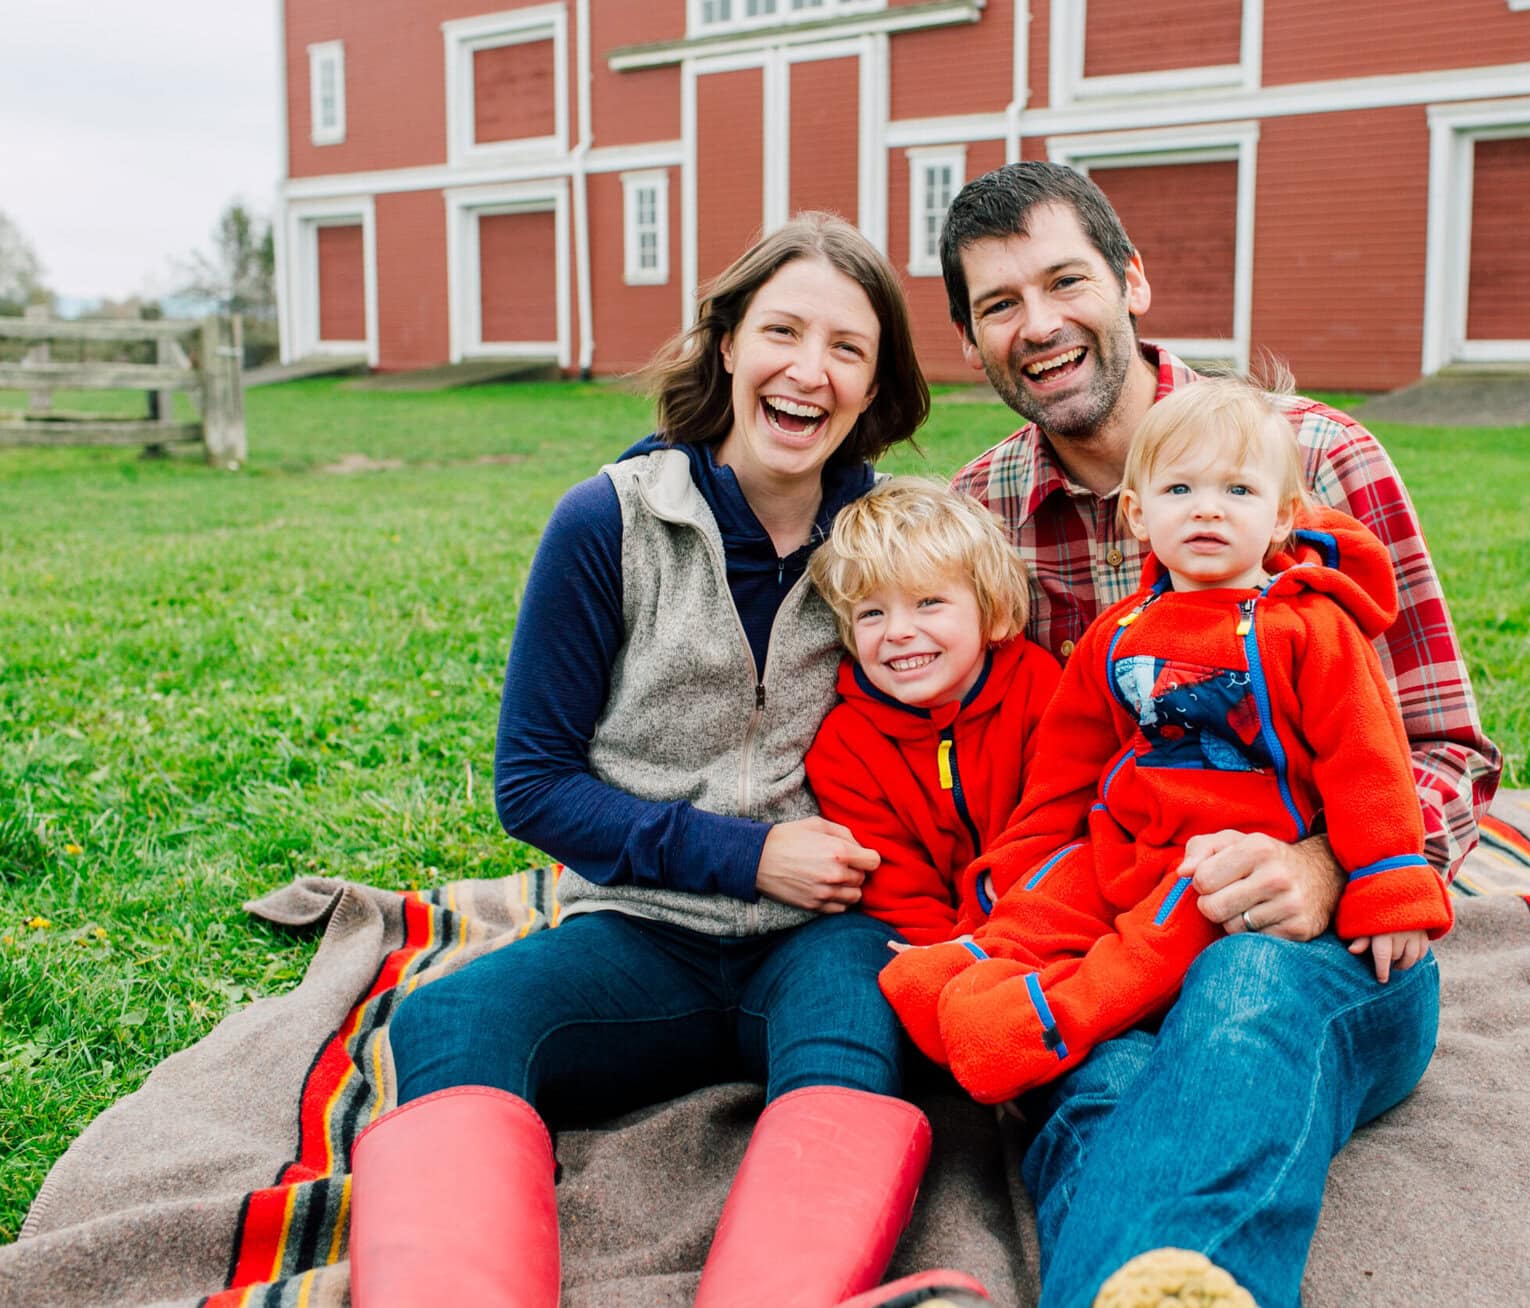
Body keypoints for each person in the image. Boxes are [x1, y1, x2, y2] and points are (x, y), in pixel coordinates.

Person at [351, 214, 977, 1308]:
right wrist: (748, 856)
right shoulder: (608, 522)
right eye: (782, 330)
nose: (808, 371)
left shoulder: (898, 544)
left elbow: (986, 725)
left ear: (874, 385)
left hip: (829, 931)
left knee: (857, 1029)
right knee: (446, 1018)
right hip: (639, 930)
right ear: (728, 343)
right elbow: (532, 785)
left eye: (847, 348)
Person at [940, 162, 1504, 1306]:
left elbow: (1447, 749)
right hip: (1118, 928)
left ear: (1131, 281)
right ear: (971, 342)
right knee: (1092, 1072)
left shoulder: (1314, 459)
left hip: (1316, 943)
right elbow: (1017, 769)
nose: (1038, 325)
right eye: (999, 305)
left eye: (1064, 282)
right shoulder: (979, 513)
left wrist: (1330, 864)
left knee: (1241, 992)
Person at [881, 376, 1453, 1108]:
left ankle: (1049, 1020)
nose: (1208, 508)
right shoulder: (1115, 634)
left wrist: (1389, 885)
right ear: (1138, 514)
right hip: (1124, 839)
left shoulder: (1309, 627)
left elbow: (1367, 763)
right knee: (1055, 894)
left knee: (1151, 944)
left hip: (1224, 857)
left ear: (1282, 519)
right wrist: (1003, 891)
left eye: (1238, 492)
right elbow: (1062, 776)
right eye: (1179, 489)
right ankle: (967, 967)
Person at [803, 477, 1064, 947]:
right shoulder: (845, 747)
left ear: (992, 612)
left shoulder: (1040, 691)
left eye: (929, 603)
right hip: (930, 942)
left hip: (1042, 919)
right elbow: (895, 884)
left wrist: (995, 937)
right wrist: (949, 953)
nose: (899, 631)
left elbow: (1053, 828)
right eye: (871, 613)